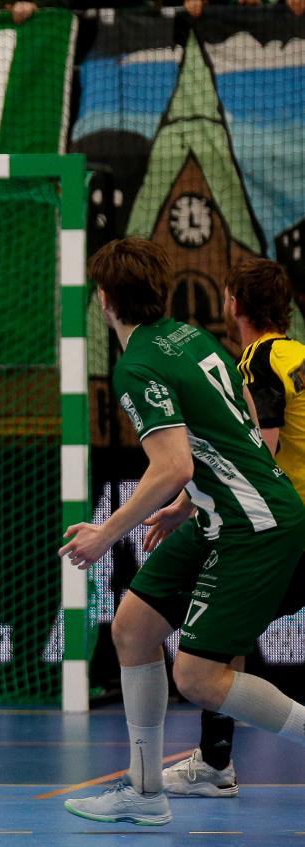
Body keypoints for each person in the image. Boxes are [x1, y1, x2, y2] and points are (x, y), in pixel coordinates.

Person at [59, 238, 305, 827]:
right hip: (223, 512)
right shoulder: (190, 337)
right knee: (132, 628)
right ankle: (146, 793)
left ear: (105, 299)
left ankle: (201, 771)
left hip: (255, 524)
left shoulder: (137, 365)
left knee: (196, 676)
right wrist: (188, 504)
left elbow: (173, 465)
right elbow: (242, 419)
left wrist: (105, 534)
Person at [156, 259, 305, 798]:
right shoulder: (299, 355)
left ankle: (216, 763)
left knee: (210, 647)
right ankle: (215, 761)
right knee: (226, 636)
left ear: (234, 304)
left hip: (281, 528)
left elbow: (256, 453)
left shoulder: (255, 363)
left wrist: (186, 502)